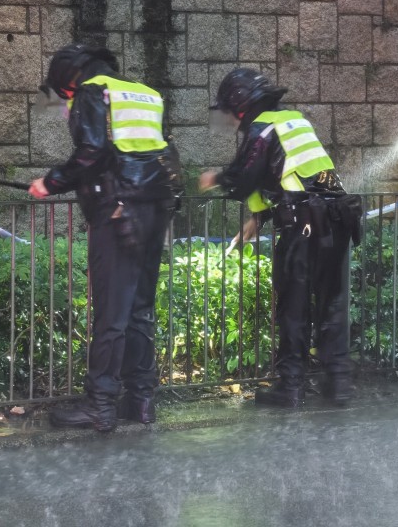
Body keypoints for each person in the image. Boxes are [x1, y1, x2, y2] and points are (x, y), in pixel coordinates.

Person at [29, 43, 180, 432]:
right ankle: (141, 401)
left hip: (118, 213)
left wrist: (51, 182)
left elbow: (92, 151)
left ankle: (100, 405)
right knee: (139, 311)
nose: (65, 103)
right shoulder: (145, 94)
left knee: (111, 314)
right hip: (155, 210)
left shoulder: (92, 92)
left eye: (63, 94)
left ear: (68, 77)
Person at [199, 68, 362, 407]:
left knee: (294, 307)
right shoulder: (293, 120)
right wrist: (258, 219)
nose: (230, 119)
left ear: (241, 105)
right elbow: (291, 177)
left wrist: (216, 178)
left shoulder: (263, 127)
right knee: (332, 304)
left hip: (304, 227)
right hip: (336, 219)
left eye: (230, 111)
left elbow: (246, 177)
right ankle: (340, 384)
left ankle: (291, 387)